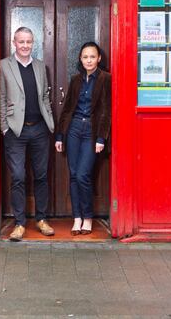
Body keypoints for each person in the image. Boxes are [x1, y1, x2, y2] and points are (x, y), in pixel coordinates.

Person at [0, 27, 56, 241]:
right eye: (21, 41)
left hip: (40, 129)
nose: (25, 45)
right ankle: (20, 223)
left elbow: (44, 97)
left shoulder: (40, 66)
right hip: (15, 130)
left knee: (41, 175)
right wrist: (4, 127)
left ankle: (41, 219)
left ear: (34, 43)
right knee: (18, 177)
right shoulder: (4, 65)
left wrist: (50, 124)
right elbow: (1, 98)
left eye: (29, 42)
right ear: (14, 42)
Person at [55, 41, 111, 235]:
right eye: (85, 57)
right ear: (80, 59)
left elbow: (106, 111)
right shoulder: (76, 80)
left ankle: (88, 217)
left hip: (91, 131)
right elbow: (68, 108)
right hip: (74, 129)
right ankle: (77, 218)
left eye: (92, 57)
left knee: (83, 175)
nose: (89, 60)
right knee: (73, 174)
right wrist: (60, 135)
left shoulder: (105, 79)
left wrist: (101, 138)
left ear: (99, 58)